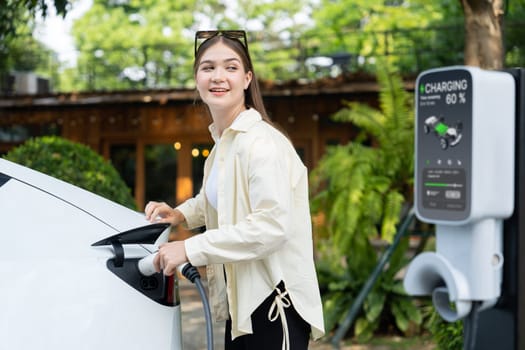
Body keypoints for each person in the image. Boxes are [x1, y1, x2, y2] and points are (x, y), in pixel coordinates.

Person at [145, 30, 324, 350]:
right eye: (208, 67)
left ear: (247, 78)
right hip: (242, 302)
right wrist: (179, 214)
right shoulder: (222, 147)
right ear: (197, 79)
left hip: (273, 305)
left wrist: (188, 249)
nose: (218, 76)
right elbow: (218, 199)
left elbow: (271, 226)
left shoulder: (261, 143)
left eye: (230, 67)